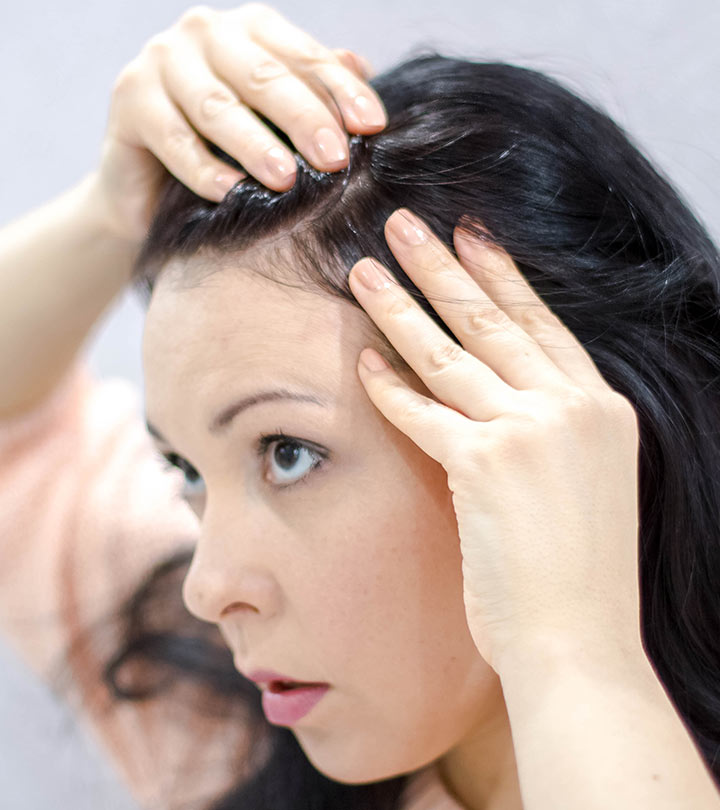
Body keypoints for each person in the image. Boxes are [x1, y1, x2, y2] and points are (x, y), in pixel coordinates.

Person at [1, 4, 720, 810]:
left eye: (287, 451)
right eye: (187, 470)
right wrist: (111, 209)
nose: (211, 589)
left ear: (568, 443)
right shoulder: (226, 733)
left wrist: (575, 654)